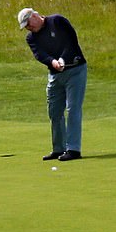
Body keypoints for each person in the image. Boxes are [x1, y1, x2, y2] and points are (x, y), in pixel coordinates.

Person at [17, 8, 88, 161]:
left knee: (73, 108)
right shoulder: (31, 38)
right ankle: (58, 149)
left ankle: (73, 149)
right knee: (54, 111)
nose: (28, 28)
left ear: (35, 16)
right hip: (55, 75)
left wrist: (62, 59)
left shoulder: (57, 21)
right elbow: (39, 55)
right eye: (26, 26)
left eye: (28, 23)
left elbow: (71, 42)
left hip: (75, 70)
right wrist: (53, 62)